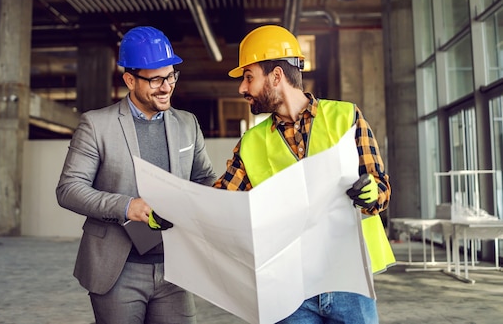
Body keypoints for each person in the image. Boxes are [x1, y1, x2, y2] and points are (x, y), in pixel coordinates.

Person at [213, 25, 392, 324]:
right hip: (289, 285)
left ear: (276, 76)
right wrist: (171, 209)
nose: (242, 88)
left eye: (248, 77)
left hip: (348, 279)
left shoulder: (346, 117)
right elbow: (220, 201)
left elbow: (381, 187)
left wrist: (372, 192)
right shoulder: (251, 142)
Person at [56, 26, 217, 324]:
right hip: (117, 269)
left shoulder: (187, 123)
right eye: (155, 79)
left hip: (175, 268)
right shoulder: (97, 125)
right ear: (130, 80)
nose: (166, 86)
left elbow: (204, 176)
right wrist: (127, 206)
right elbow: (69, 189)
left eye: (170, 76)